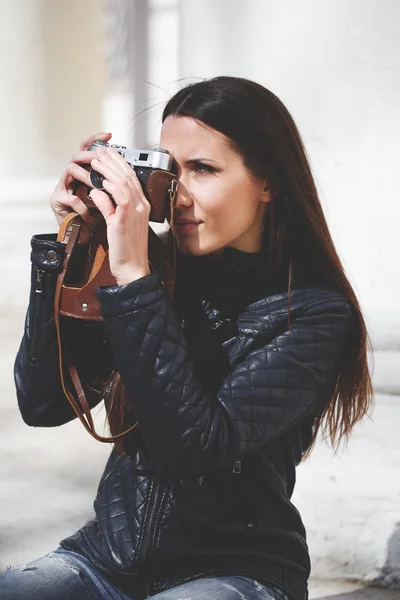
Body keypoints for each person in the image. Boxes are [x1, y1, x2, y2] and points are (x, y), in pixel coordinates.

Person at [4, 76, 373, 600]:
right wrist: (74, 248)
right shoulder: (148, 273)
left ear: (266, 180)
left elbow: (192, 447)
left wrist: (134, 278)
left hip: (234, 574)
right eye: (168, 170)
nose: (177, 193)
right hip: (103, 562)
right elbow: (43, 403)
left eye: (203, 169)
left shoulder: (313, 314)